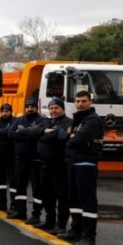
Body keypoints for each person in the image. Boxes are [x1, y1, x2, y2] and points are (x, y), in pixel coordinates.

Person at [58, 91, 104, 245]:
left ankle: (89, 237)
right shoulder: (79, 119)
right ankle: (76, 230)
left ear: (90, 101)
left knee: (88, 202)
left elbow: (77, 139)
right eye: (77, 101)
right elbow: (68, 136)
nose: (80, 104)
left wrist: (70, 137)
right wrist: (70, 136)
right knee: (74, 200)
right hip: (73, 163)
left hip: (86, 164)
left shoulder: (93, 120)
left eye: (83, 101)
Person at [36, 98, 72, 233]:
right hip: (45, 165)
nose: (53, 111)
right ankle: (49, 221)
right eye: (51, 108)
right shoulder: (47, 122)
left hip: (59, 166)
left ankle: (61, 225)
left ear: (62, 109)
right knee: (47, 196)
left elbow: (60, 137)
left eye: (56, 108)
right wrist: (42, 133)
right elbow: (34, 134)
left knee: (61, 197)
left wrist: (44, 134)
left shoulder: (68, 122)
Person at [7, 98, 46, 221]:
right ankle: (20, 211)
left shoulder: (42, 120)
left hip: (35, 161)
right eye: (28, 107)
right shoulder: (19, 119)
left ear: (36, 107)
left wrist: (22, 132)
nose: (30, 109)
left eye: (32, 106)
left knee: (37, 189)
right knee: (20, 186)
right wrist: (29, 134)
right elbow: (10, 133)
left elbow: (38, 133)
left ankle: (36, 214)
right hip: (20, 160)